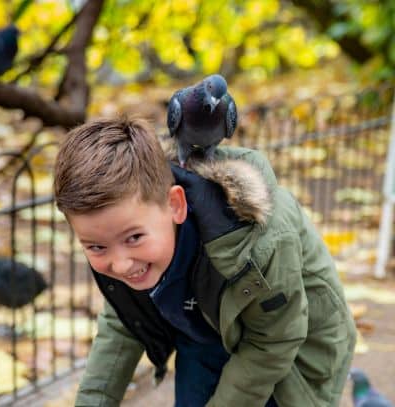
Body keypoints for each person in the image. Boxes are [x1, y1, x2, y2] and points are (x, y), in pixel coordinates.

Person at [53, 115, 357, 407]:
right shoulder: (132, 258)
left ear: (175, 205)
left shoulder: (259, 244)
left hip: (287, 342)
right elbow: (121, 326)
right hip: (204, 334)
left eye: (134, 238)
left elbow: (274, 342)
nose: (120, 265)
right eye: (95, 247)